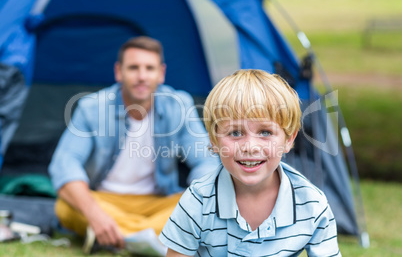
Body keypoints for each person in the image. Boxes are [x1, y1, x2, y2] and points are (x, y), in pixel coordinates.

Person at [48, 36, 219, 252]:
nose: (142, 76)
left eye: (149, 68)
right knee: (65, 207)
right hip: (106, 201)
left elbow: (207, 161)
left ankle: (119, 237)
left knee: (202, 206)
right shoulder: (91, 107)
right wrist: (95, 214)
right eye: (133, 68)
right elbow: (64, 165)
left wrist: (195, 201)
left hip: (157, 202)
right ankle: (155, 239)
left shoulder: (179, 105)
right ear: (118, 72)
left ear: (161, 73)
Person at [159, 69, 341, 256]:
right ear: (214, 141)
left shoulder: (311, 204)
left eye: (265, 132)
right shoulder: (198, 199)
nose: (250, 147)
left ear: (288, 140)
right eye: (235, 133)